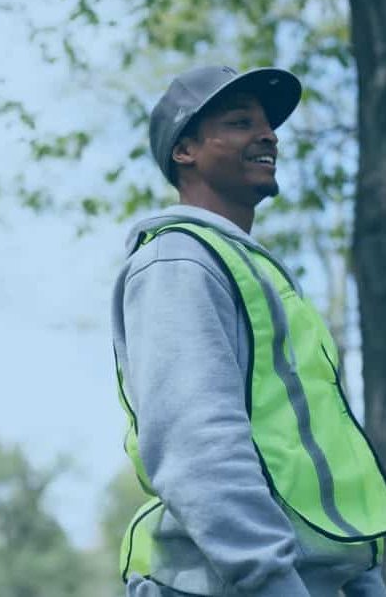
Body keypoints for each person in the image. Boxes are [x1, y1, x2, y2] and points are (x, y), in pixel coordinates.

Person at [110, 65, 386, 597]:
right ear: (184, 151)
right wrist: (273, 582)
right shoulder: (178, 261)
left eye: (268, 125)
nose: (269, 135)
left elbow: (318, 450)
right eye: (240, 122)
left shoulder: (256, 272)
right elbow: (197, 447)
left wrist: (360, 576)